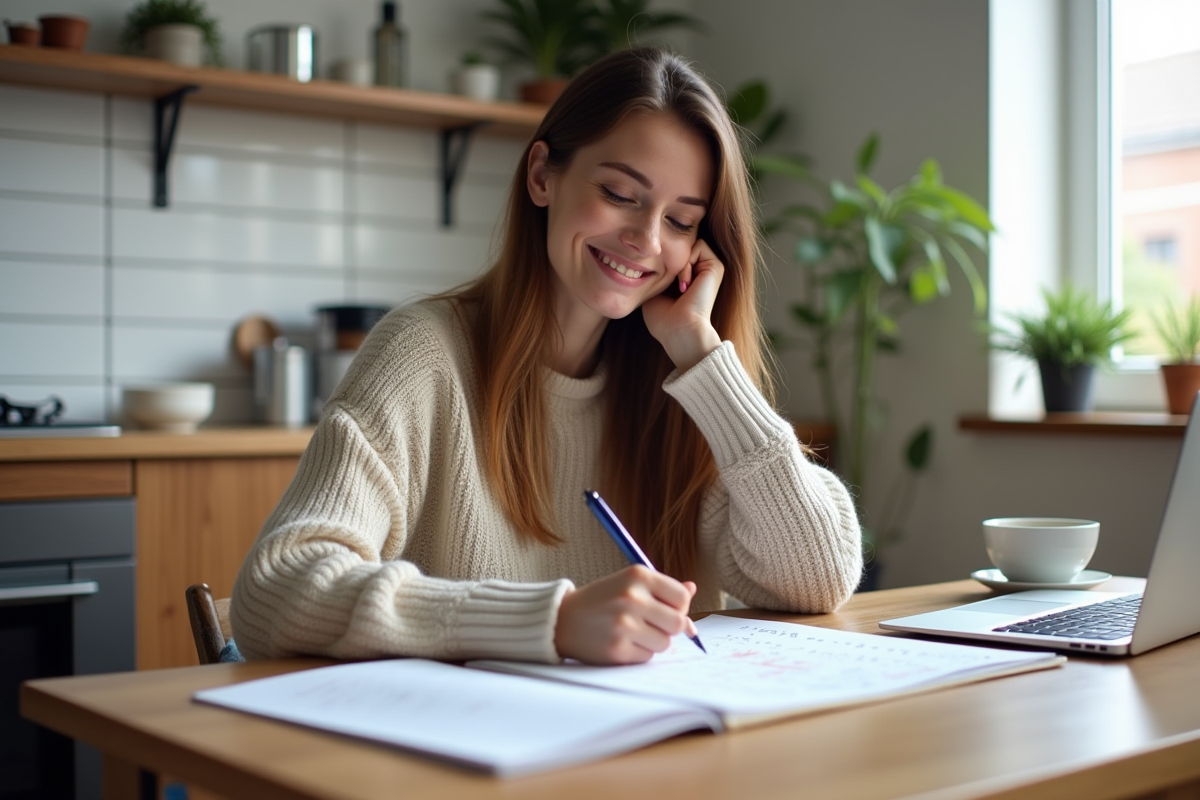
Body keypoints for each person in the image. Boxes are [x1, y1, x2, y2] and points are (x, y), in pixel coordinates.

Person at [231, 47, 862, 666]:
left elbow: (818, 579)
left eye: (680, 221)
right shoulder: (423, 356)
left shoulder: (683, 388)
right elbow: (275, 591)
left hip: (648, 754)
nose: (645, 239)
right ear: (542, 176)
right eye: (620, 193)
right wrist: (549, 622)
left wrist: (702, 355)